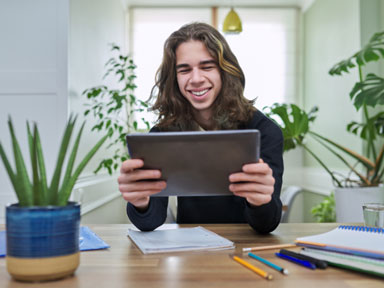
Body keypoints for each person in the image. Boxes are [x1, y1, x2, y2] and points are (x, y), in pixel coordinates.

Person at [118, 22, 284, 233]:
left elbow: (266, 224)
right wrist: (140, 201)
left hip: (246, 249)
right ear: (174, 78)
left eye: (207, 67)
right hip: (190, 251)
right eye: (185, 69)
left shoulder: (265, 132)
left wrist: (260, 201)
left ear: (225, 71)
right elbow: (150, 221)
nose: (196, 79)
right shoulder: (163, 135)